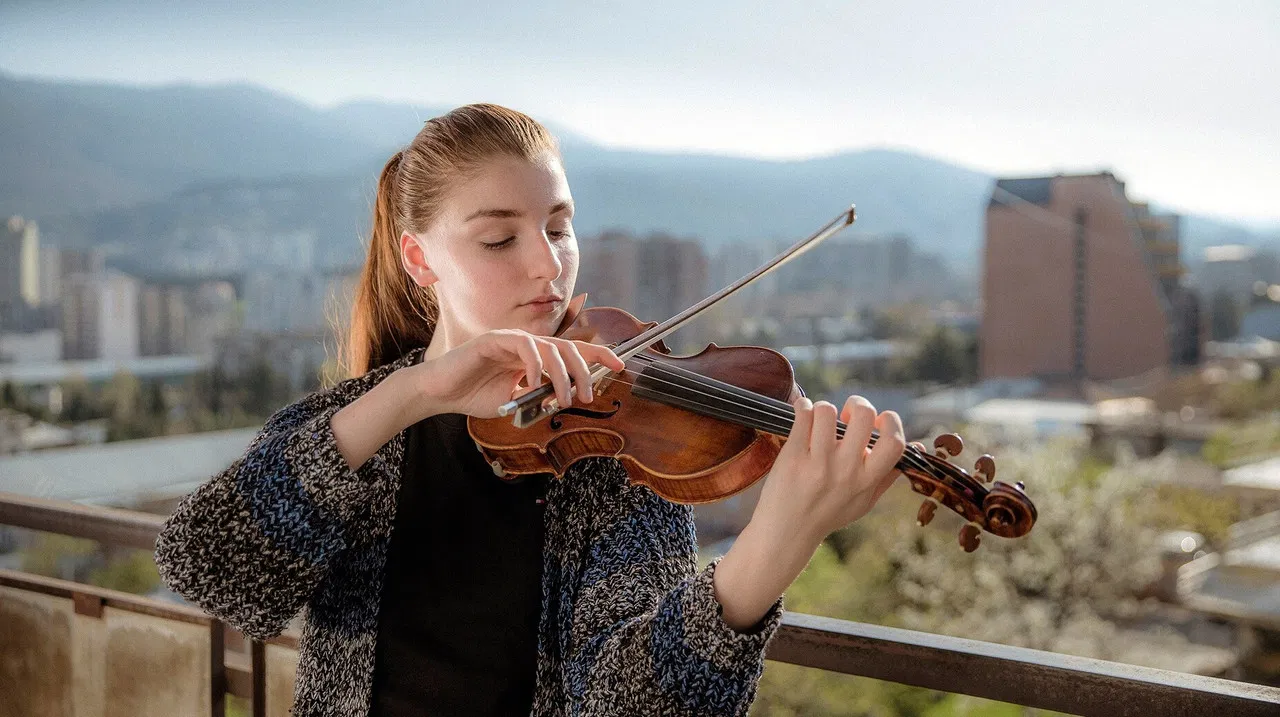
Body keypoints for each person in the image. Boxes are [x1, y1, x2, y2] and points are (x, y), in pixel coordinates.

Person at [154, 103, 906, 717]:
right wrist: (414, 394)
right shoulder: (358, 422)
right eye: (498, 238)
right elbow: (210, 568)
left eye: (558, 226)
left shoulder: (615, 454)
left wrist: (772, 547)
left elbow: (627, 707)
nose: (548, 264)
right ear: (420, 259)